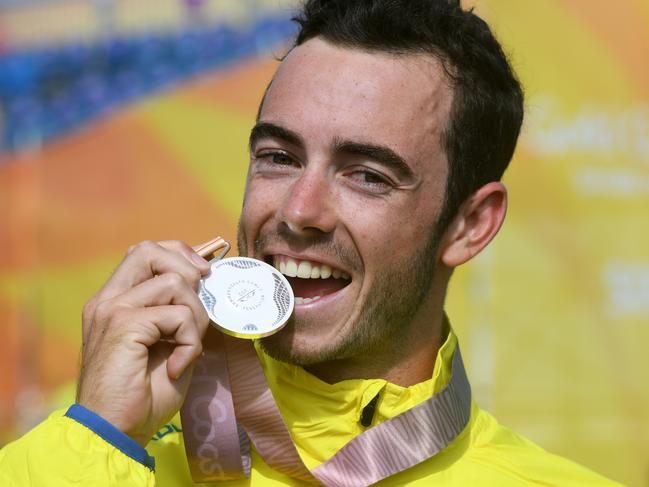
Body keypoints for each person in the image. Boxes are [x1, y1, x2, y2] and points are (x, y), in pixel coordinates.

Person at [0, 1, 622, 485]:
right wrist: (99, 436)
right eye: (278, 156)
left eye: (367, 175)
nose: (299, 211)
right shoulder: (100, 434)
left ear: (469, 225)